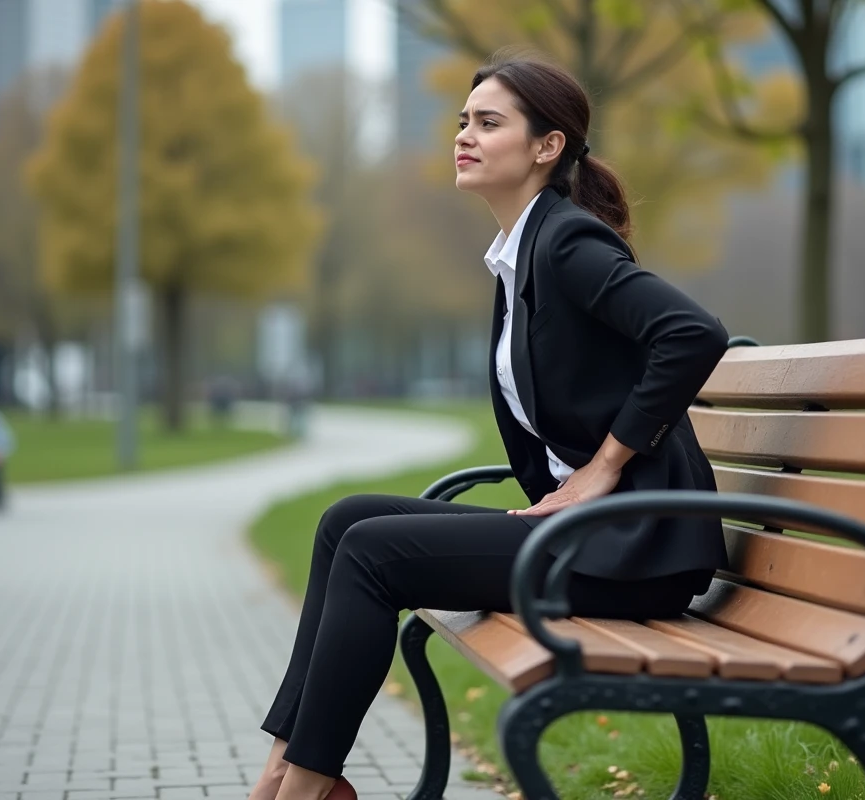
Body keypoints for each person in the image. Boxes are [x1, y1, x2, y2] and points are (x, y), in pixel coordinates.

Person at [250, 53, 731, 800]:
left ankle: (304, 790)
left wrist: (603, 469)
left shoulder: (565, 242)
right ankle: (281, 770)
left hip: (634, 546)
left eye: (488, 122)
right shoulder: (522, 252)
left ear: (548, 146)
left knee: (377, 554)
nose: (464, 136)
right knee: (346, 520)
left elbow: (693, 334)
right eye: (462, 122)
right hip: (592, 536)